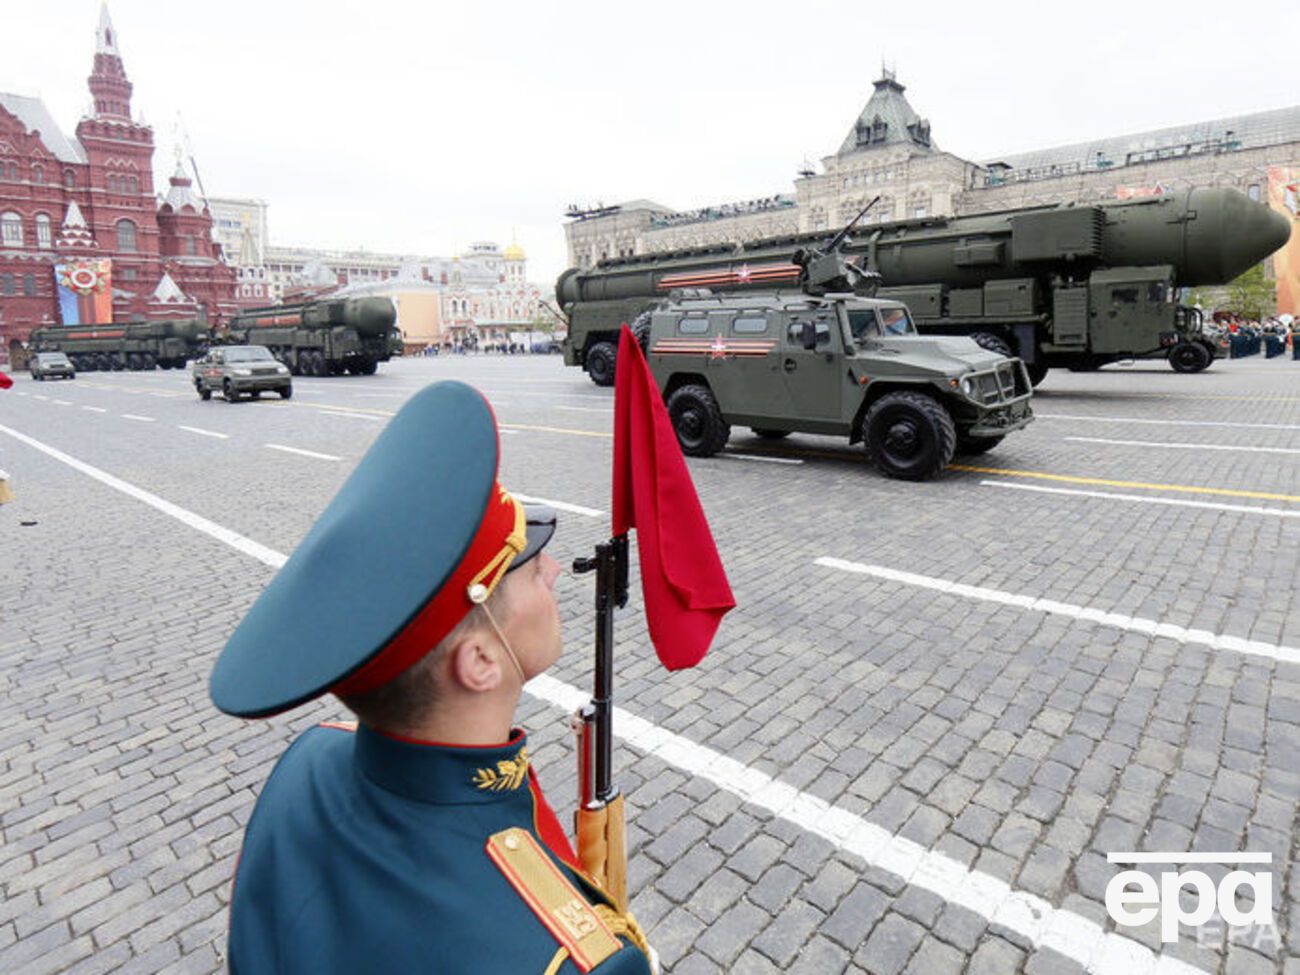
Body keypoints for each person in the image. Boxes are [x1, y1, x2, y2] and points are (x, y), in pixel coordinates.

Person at [210, 381, 654, 975]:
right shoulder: (580, 963)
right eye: (522, 566)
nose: (550, 570)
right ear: (480, 663)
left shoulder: (308, 763)